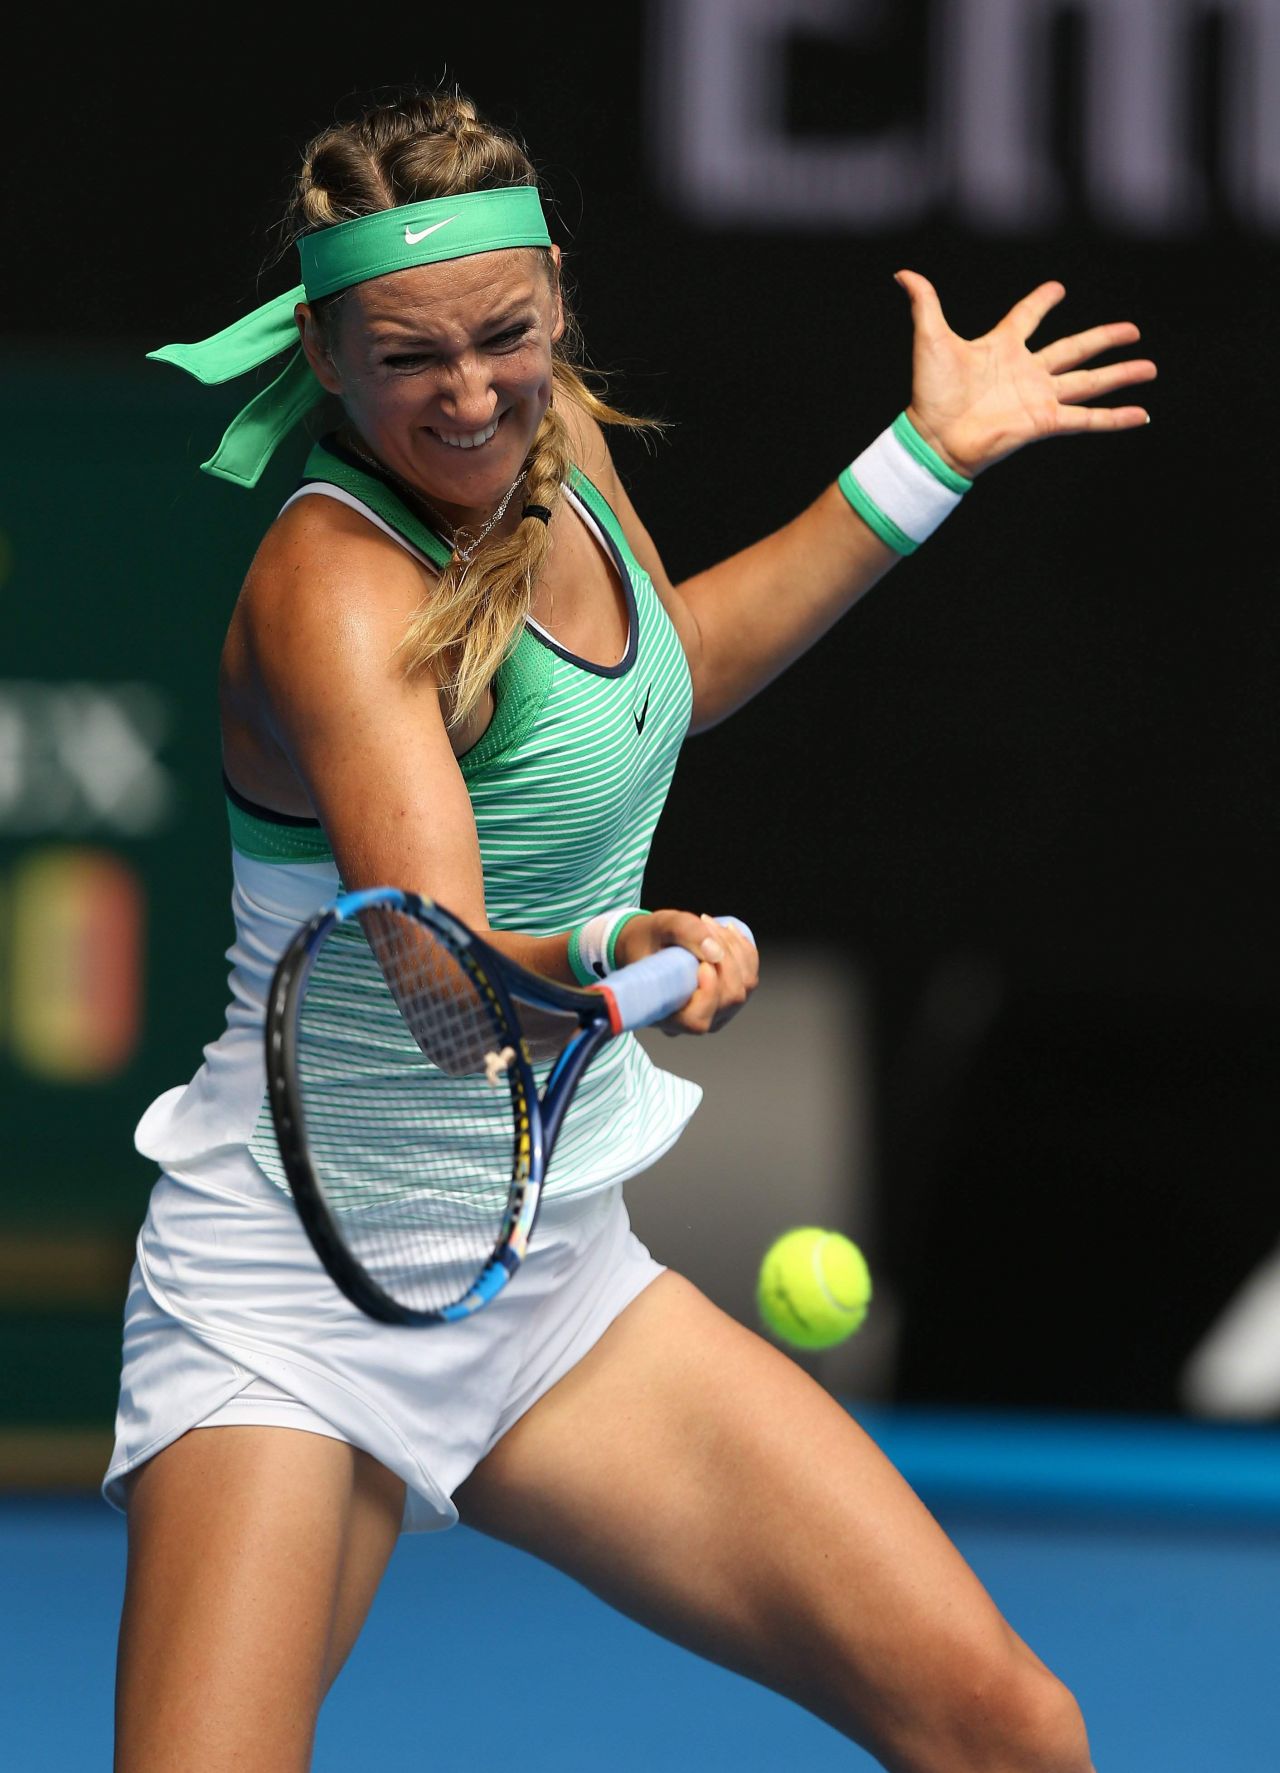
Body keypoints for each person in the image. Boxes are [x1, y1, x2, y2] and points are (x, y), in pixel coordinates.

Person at [106, 88, 1154, 1773]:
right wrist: (613, 949)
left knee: (1007, 1731)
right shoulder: (334, 587)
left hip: (552, 1274)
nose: (468, 397)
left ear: (558, 298)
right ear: (322, 352)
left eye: (504, 340)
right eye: (408, 359)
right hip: (299, 1290)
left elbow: (666, 679)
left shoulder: (554, 450)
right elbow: (444, 994)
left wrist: (926, 459)